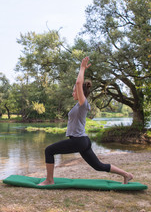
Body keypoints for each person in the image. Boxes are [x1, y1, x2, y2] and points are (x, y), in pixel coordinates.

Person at [38, 56, 134, 186]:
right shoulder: (78, 105)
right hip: (83, 140)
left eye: (74, 92)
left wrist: (82, 68)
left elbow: (78, 83)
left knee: (49, 150)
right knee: (99, 166)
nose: (73, 93)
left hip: (78, 140)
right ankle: (126, 175)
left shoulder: (83, 104)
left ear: (80, 93)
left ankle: (49, 180)